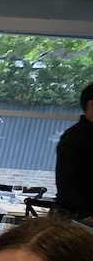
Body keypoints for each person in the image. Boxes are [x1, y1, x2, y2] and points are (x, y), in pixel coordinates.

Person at [55, 82, 93, 222]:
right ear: (91, 105)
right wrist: (85, 213)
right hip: (76, 216)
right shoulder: (74, 137)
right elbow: (65, 181)